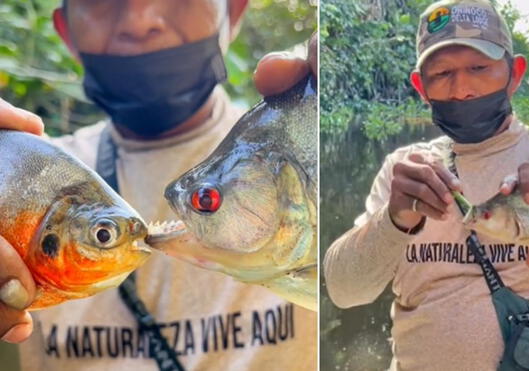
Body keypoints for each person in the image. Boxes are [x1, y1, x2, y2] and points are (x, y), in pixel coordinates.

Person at [323, 0, 529, 370]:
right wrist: (392, 221)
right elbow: (345, 291)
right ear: (420, 87)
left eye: (479, 68)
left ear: (514, 73)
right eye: (442, 74)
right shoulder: (404, 170)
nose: (462, 90)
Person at [0, 0, 317, 369]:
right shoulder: (20, 180)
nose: (140, 19)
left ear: (233, 11)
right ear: (66, 31)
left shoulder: (316, 146)